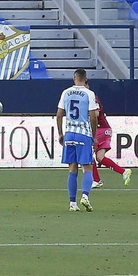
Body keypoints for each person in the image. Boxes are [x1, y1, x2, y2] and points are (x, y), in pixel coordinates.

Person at [57, 69, 100, 212]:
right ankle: (85, 196)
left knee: (72, 169)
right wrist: (94, 135)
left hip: (69, 133)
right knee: (88, 168)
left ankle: (72, 204)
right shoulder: (89, 93)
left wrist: (61, 134)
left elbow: (58, 114)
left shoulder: (65, 92)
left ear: (74, 78)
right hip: (83, 134)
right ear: (85, 79)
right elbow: (93, 117)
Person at [90, 99, 131, 188]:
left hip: (100, 130)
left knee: (87, 153)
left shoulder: (92, 97)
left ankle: (96, 180)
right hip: (105, 130)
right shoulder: (88, 96)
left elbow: (96, 114)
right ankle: (123, 171)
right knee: (100, 158)